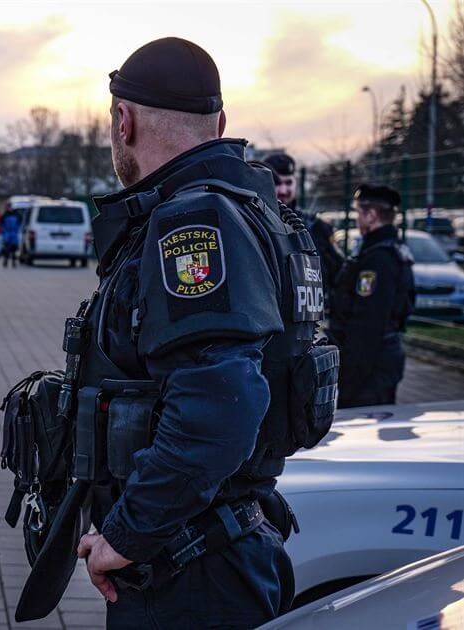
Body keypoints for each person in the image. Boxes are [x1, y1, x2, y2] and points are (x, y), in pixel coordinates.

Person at [34, 37, 330, 629]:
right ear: (220, 122)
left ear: (124, 120)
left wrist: (129, 532)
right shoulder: (248, 211)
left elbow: (221, 404)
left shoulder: (194, 221)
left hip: (191, 569)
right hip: (212, 547)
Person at [329, 185, 414, 408]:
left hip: (370, 363)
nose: (356, 218)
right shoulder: (389, 250)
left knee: (362, 425)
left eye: (358, 212)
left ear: (372, 215)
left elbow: (368, 322)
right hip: (382, 356)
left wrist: (351, 376)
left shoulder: (378, 259)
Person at [264, 152, 343, 305]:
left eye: (288, 183)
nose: (283, 190)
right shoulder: (254, 222)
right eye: (277, 183)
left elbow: (338, 272)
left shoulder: (315, 226)